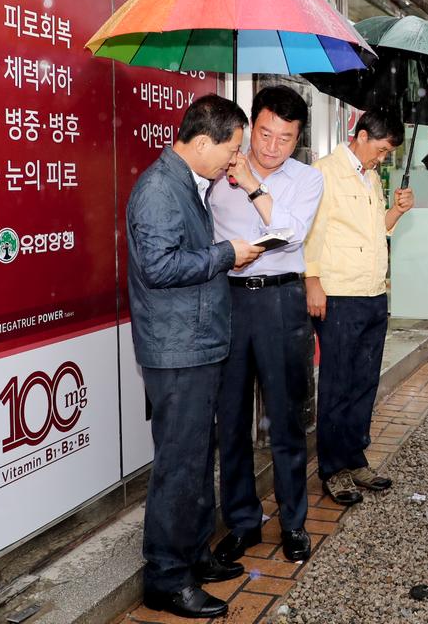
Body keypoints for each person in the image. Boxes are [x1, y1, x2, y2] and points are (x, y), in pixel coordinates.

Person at [126, 95, 264, 618]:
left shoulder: (187, 183)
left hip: (196, 342)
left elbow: (184, 258)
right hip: (177, 348)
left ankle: (194, 554)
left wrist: (224, 256)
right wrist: (228, 254)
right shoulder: (160, 189)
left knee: (199, 456)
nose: (234, 159)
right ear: (203, 142)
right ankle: (166, 577)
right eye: (231, 149)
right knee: (179, 466)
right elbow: (159, 268)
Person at [209, 86, 324, 564]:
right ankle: (242, 521)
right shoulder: (218, 172)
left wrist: (253, 185)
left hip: (282, 301)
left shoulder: (307, 179)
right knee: (232, 418)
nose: (272, 146)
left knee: (285, 418)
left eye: (285, 138)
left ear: (298, 140)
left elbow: (291, 234)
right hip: (229, 300)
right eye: (264, 133)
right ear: (250, 126)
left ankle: (293, 522)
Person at [304, 111, 414, 506]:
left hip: (373, 294)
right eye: (381, 150)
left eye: (388, 154)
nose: (382, 159)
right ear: (362, 136)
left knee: (364, 383)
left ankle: (354, 457)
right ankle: (333, 469)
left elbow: (375, 231)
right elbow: (311, 233)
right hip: (339, 295)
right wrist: (312, 281)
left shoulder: (369, 178)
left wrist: (397, 211)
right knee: (337, 384)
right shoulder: (324, 173)